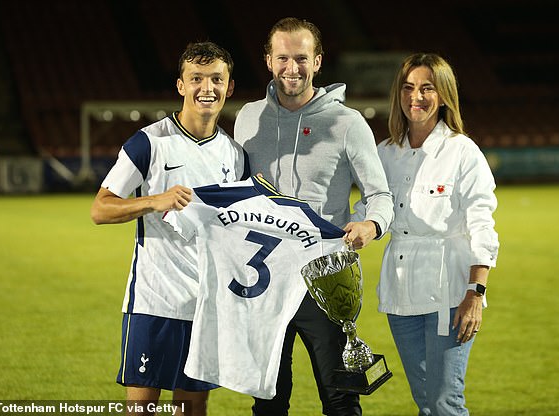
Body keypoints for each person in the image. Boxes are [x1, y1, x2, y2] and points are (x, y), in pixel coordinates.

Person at [234, 17, 394, 416]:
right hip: (263, 279)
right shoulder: (247, 118)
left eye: (301, 58)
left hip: (323, 280)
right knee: (268, 397)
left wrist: (370, 224)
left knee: (340, 397)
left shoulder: (347, 122)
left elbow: (380, 194)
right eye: (283, 58)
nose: (293, 68)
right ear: (269, 61)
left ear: (318, 61)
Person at [90, 41, 249, 416]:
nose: (206, 88)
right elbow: (100, 208)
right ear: (181, 85)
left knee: (192, 409)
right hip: (154, 301)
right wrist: (153, 200)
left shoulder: (235, 155)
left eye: (215, 79)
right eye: (196, 78)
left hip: (205, 306)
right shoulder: (149, 142)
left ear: (229, 88)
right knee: (142, 407)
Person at [374, 53, 500, 415]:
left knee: (445, 402)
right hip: (400, 294)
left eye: (427, 88)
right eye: (409, 88)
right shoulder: (385, 153)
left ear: (443, 95)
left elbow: (482, 222)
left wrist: (476, 291)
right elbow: (371, 210)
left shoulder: (462, 152)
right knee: (425, 403)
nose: (416, 97)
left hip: (450, 293)